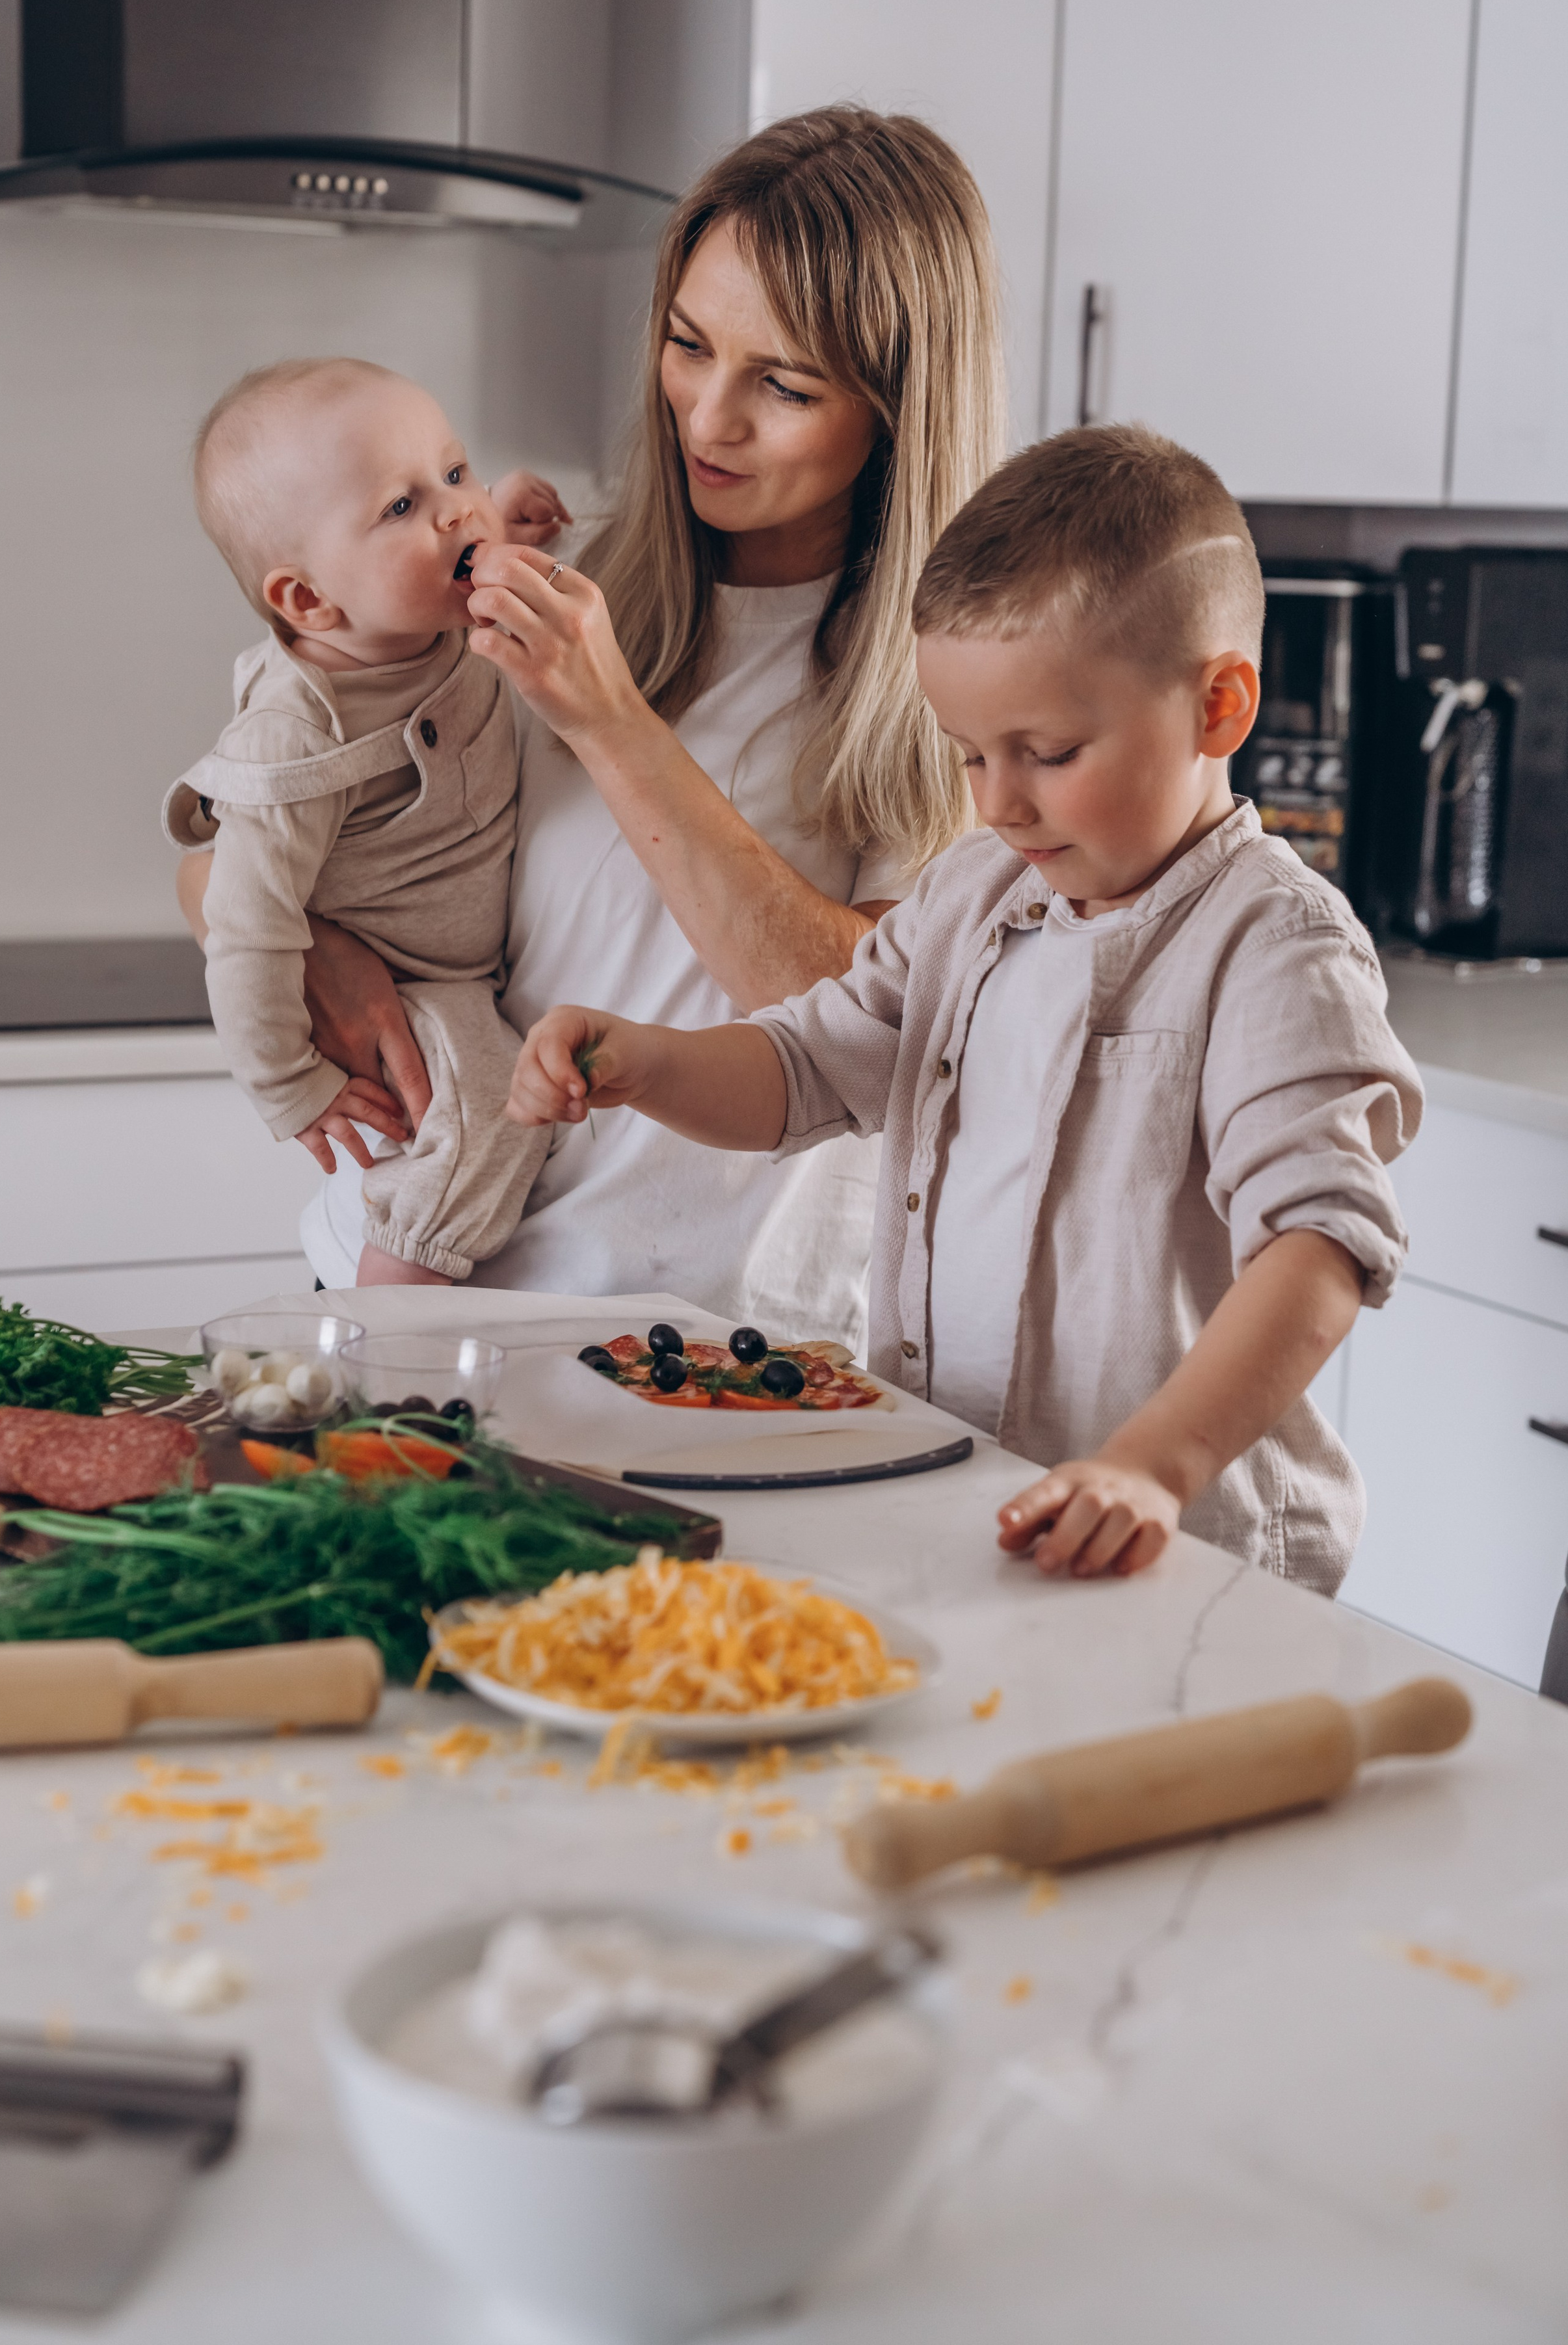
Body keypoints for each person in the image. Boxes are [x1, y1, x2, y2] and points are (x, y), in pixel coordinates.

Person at [505, 425, 1424, 1594]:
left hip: (1191, 1554)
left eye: (1046, 752)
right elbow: (808, 1066)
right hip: (975, 1504)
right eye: (970, 757)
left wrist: (1151, 1464)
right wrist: (649, 1063)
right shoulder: (975, 895)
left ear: (1220, 707)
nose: (1001, 804)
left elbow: (1320, 1250)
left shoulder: (1273, 946)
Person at [181, 107, 1005, 1346]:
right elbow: (235, 844)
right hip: (413, 1292)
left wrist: (613, 724)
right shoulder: (551, 574)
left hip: (702, 1348)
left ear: (899, 409)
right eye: (687, 345)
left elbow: (865, 1029)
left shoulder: (963, 681)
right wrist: (322, 957)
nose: (707, 421)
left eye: (780, 385)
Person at [167, 356, 566, 1284]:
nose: (458, 509)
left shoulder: (423, 616)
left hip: (465, 973)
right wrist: (288, 1085)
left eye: (457, 471)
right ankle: (392, 1325)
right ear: (310, 601)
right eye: (401, 506)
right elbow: (248, 927)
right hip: (417, 988)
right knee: (492, 1125)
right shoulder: (295, 734)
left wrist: (507, 517)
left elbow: (460, 549)